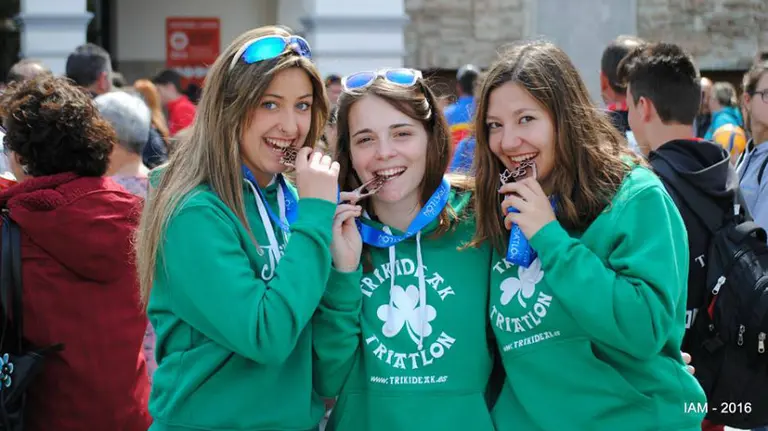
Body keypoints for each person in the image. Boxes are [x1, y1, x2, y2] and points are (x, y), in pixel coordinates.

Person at [471, 40, 706, 430]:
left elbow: (645, 329)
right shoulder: (500, 210)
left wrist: (550, 238)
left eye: (526, 119)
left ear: (564, 117)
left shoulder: (635, 198)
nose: (508, 142)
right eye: (495, 125)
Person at [134, 26, 338, 430]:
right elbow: (266, 336)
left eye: (302, 106)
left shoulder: (293, 198)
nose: (291, 125)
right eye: (269, 104)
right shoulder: (191, 211)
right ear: (228, 107)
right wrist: (316, 216)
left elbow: (321, 352)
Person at [313, 67, 495, 430]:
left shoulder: (483, 221)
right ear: (348, 152)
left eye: (402, 133)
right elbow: (327, 379)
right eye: (365, 139)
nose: (384, 153)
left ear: (432, 138)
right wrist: (344, 272)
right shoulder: (331, 232)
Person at [0, 75, 151, 430]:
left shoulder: (19, 224)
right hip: (132, 412)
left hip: (47, 415)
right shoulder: (137, 215)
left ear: (20, 158)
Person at [618, 41, 736, 431]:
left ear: (644, 107)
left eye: (630, 107)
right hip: (724, 384)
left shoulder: (644, 189)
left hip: (665, 393)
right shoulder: (726, 172)